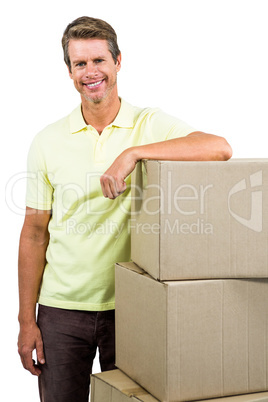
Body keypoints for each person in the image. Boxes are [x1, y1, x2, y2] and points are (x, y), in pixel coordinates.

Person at [17, 16, 232, 402]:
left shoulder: (149, 124)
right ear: (69, 72)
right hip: (61, 310)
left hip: (131, 306)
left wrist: (133, 153)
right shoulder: (47, 141)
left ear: (118, 61)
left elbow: (219, 148)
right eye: (80, 64)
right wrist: (25, 319)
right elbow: (34, 232)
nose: (91, 72)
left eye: (99, 60)